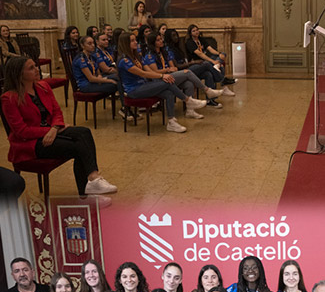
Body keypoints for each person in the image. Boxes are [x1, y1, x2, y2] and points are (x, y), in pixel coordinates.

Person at [1, 57, 117, 198]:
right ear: (19, 73)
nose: (37, 69)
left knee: (84, 132)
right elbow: (21, 131)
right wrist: (50, 130)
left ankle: (93, 179)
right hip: (30, 143)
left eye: (35, 66)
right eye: (31, 68)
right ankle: (86, 192)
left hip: (51, 132)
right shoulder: (9, 98)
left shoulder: (43, 86)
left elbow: (56, 111)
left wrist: (55, 128)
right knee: (78, 147)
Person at [116, 31, 190, 134]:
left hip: (143, 85)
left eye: (135, 40)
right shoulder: (124, 60)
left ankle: (171, 122)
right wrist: (162, 76)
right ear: (125, 43)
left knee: (169, 93)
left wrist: (161, 75)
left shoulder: (136, 56)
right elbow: (143, 74)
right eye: (132, 41)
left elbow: (149, 71)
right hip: (134, 90)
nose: (135, 42)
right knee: (167, 82)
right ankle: (187, 100)